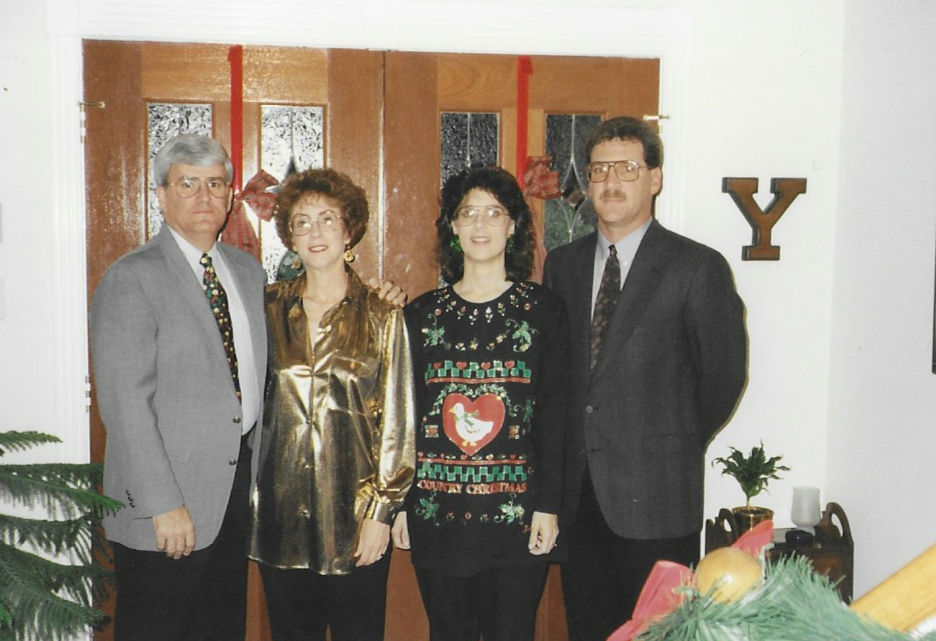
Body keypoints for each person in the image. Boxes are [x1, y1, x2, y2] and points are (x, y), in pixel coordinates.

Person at [542, 116, 748, 641]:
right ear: (587, 181)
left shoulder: (696, 267)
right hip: (581, 498)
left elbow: (722, 377)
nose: (611, 181)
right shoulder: (562, 266)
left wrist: (667, 441)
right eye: (599, 169)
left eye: (628, 168)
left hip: (657, 498)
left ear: (654, 178)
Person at [90, 133, 267, 641]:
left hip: (233, 492)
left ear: (232, 195)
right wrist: (162, 503)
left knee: (220, 628)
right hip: (166, 501)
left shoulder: (247, 272)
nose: (204, 197)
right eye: (187, 183)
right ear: (161, 194)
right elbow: (125, 405)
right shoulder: (132, 278)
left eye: (215, 183)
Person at [393, 166, 569, 641]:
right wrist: (402, 505)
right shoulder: (420, 314)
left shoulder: (544, 311)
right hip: (437, 515)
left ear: (513, 226)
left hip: (516, 519)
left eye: (494, 213)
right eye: (468, 213)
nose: (480, 225)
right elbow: (406, 418)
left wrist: (549, 507)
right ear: (451, 225)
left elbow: (556, 418)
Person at [249, 168, 416, 641]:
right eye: (302, 222)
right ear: (290, 237)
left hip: (355, 519)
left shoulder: (384, 314)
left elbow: (398, 426)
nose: (316, 232)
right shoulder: (265, 309)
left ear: (350, 230)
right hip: (281, 518)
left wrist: (381, 514)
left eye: (328, 219)